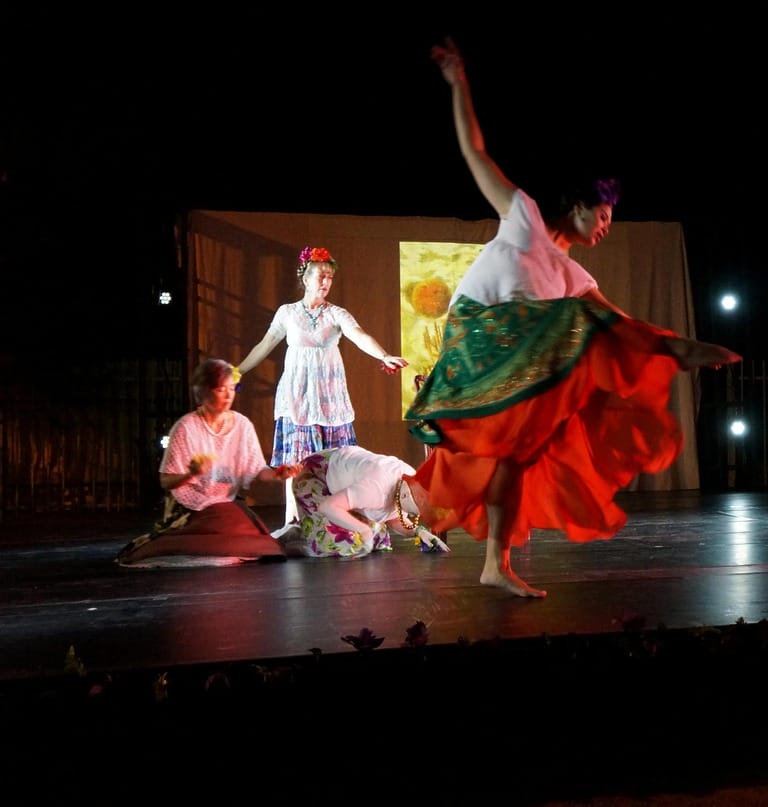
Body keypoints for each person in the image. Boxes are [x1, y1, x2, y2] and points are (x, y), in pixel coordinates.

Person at [404, 37, 742, 598]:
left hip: (515, 360)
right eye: (604, 214)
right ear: (579, 205)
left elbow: (622, 323)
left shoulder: (571, 276)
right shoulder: (525, 219)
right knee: (577, 323)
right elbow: (476, 155)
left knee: (517, 454)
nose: (607, 225)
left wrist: (681, 346)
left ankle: (496, 563)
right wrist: (458, 82)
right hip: (477, 336)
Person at [234, 245, 408, 532]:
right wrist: (237, 371)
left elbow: (358, 335)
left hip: (329, 400)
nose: (326, 282)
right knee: (296, 463)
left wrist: (384, 355)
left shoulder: (336, 314)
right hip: (297, 398)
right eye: (321, 276)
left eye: (330, 278)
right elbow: (264, 345)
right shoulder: (288, 313)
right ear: (305, 277)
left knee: (335, 462)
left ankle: (334, 521)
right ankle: (293, 521)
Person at [116, 358, 302, 567]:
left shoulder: (241, 425)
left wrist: (279, 474)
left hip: (226, 501)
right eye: (222, 389)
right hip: (192, 505)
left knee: (265, 545)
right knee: (229, 529)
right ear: (205, 392)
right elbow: (166, 481)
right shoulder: (186, 427)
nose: (229, 395)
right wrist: (191, 474)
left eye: (232, 388)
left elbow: (257, 469)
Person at [276, 444, 449, 559]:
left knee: (378, 540)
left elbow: (394, 518)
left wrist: (418, 532)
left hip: (346, 485)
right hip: (315, 475)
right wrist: (363, 529)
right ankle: (298, 537)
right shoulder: (376, 488)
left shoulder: (410, 482)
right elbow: (328, 506)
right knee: (344, 544)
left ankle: (309, 529)